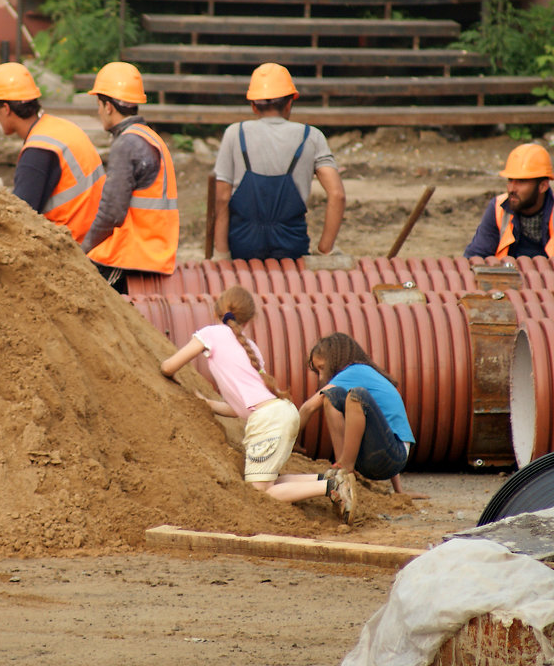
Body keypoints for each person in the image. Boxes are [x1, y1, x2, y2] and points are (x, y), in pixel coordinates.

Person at [161, 286, 361, 522]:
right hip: (283, 411)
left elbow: (167, 367)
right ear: (248, 319)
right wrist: (208, 404)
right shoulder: (252, 349)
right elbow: (240, 409)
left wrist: (172, 378)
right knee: (268, 481)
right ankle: (326, 480)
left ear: (217, 311)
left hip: (268, 420)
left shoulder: (211, 334)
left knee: (259, 491)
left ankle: (331, 489)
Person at [212, 62, 346, 261]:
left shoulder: (235, 133)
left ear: (253, 105)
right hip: (292, 246)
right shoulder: (311, 136)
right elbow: (337, 195)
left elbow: (222, 198)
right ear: (290, 102)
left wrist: (222, 254)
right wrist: (324, 250)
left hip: (243, 245)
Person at [82, 62, 179, 293]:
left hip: (135, 255)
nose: (98, 112)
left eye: (98, 105)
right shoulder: (149, 137)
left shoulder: (126, 144)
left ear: (107, 106)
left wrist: (82, 249)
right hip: (156, 250)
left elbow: (111, 214)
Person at [0, 62, 105, 243]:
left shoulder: (38, 151)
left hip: (73, 248)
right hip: (96, 237)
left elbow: (19, 218)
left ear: (6, 109)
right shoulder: (60, 128)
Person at [299, 332, 416, 497]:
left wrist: (290, 443)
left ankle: (344, 468)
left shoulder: (354, 372)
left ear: (335, 360)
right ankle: (344, 468)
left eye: (322, 368)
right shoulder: (362, 375)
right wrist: (399, 492)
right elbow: (385, 429)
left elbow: (307, 408)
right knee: (331, 398)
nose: (321, 376)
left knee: (353, 396)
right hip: (385, 455)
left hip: (391, 456)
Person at [464, 143, 554, 259]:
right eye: (510, 180)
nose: (511, 189)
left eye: (521, 182)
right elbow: (475, 257)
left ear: (543, 186)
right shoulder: (498, 208)